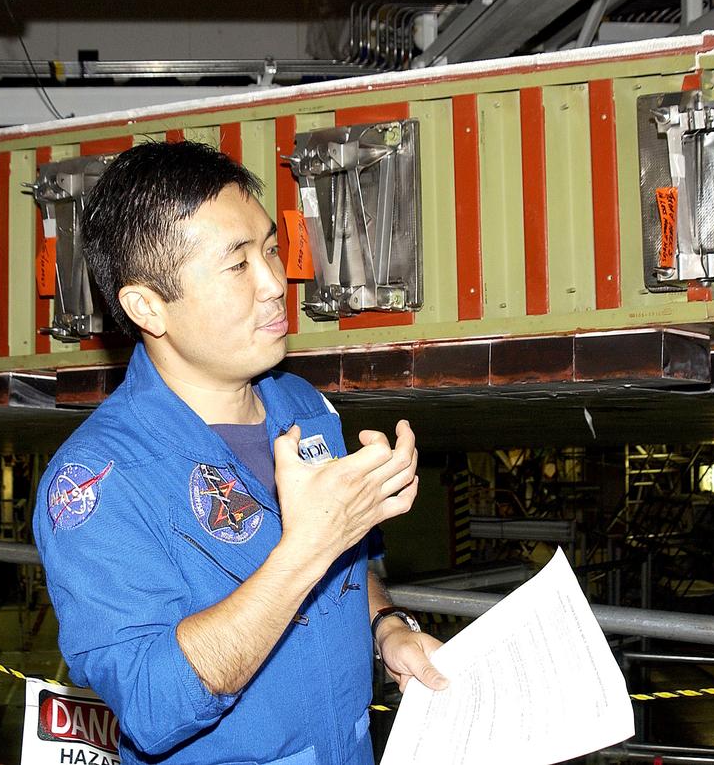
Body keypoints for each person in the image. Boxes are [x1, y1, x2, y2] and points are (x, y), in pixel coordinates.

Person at [33, 141, 446, 765]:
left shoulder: (304, 408)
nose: (277, 284)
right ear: (148, 305)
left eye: (272, 250)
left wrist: (386, 628)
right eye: (238, 265)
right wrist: (308, 548)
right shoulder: (98, 482)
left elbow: (352, 574)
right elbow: (150, 704)